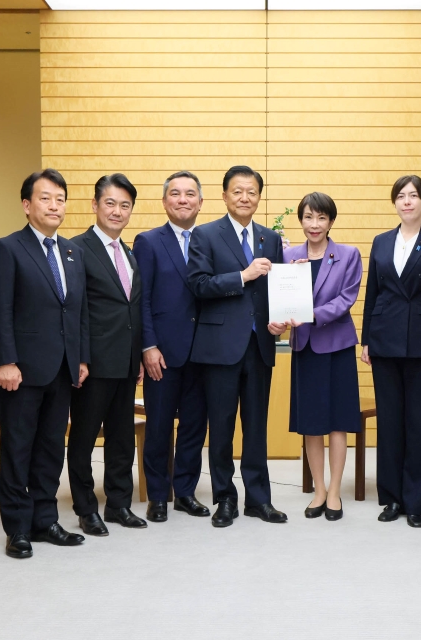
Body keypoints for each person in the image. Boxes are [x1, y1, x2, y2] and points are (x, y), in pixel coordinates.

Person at [0, 169, 90, 558]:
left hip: (62, 368)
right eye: (45, 198)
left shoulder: (72, 252)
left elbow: (78, 311)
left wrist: (81, 358)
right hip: (22, 370)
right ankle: (17, 528)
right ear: (27, 205)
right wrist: (6, 361)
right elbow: (0, 310)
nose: (54, 206)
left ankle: (45, 520)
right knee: (18, 450)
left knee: (50, 449)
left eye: (60, 199)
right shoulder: (8, 248)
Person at [187, 165, 287, 528]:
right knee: (222, 426)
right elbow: (198, 284)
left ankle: (259, 500)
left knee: (256, 427)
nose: (245, 198)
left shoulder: (270, 238)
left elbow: (276, 290)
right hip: (220, 347)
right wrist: (243, 276)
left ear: (259, 197)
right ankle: (225, 498)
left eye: (252, 192)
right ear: (225, 195)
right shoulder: (205, 234)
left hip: (260, 345)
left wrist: (280, 320)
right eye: (238, 191)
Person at [361, 175, 421, 528]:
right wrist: (366, 339)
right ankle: (391, 498)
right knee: (389, 423)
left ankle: (417, 502)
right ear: (395, 203)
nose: (407, 201)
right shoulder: (381, 241)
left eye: (413, 195)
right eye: (401, 196)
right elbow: (372, 293)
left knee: (419, 424)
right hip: (384, 339)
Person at [274, 192, 362, 521]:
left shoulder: (348, 255)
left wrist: (309, 313)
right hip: (306, 348)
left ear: (331, 221)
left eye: (322, 218)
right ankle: (320, 490)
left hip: (337, 346)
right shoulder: (288, 256)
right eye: (309, 217)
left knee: (337, 423)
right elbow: (279, 299)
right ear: (301, 220)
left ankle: (335, 491)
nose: (315, 224)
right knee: (312, 424)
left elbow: (346, 299)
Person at [67, 174, 146, 536]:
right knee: (83, 439)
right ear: (95, 205)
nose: (117, 211)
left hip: (126, 362)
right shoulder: (76, 249)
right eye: (110, 203)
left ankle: (118, 504)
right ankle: (86, 508)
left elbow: (132, 308)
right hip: (93, 364)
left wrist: (138, 356)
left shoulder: (128, 253)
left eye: (125, 205)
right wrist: (80, 357)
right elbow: (75, 310)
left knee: (121, 438)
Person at [134, 171, 211, 523]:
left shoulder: (211, 240)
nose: (183, 199)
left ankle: (185, 493)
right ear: (165, 201)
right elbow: (142, 299)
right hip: (162, 353)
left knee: (194, 427)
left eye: (190, 194)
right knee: (159, 427)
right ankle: (158, 495)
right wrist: (148, 345)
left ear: (200, 202)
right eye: (176, 194)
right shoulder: (148, 242)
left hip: (204, 352)